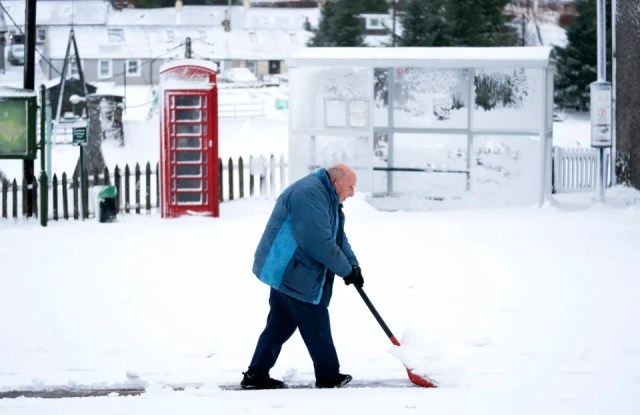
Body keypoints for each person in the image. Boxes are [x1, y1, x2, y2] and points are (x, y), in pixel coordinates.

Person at [241, 163, 365, 390]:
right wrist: (345, 270)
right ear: (336, 182)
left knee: (280, 324)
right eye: (350, 187)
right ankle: (328, 375)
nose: (352, 194)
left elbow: (337, 235)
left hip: (291, 268)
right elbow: (317, 241)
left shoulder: (326, 196)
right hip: (289, 268)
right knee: (315, 319)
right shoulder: (309, 194)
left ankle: (256, 374)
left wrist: (353, 267)